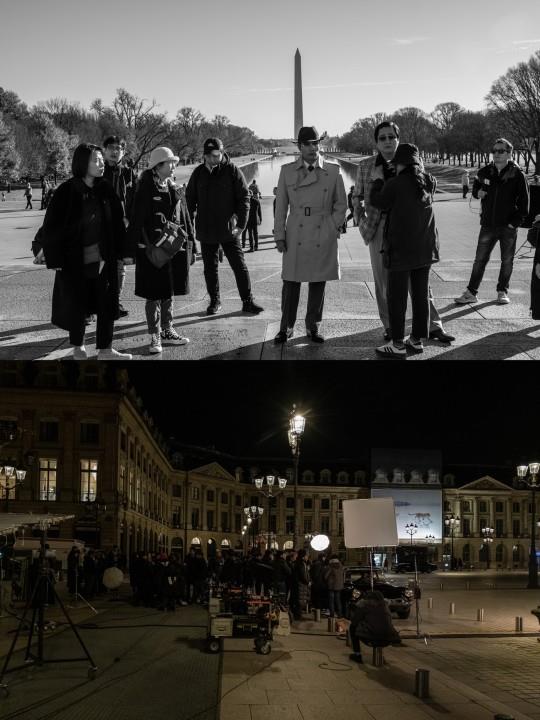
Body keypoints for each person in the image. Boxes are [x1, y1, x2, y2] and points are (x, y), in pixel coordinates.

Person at [353, 121, 454, 344]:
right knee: (383, 283)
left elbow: (424, 191)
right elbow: (357, 196)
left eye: (391, 136)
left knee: (419, 283)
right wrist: (362, 221)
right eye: (382, 138)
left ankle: (432, 325)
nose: (388, 141)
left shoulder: (412, 160)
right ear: (376, 142)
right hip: (379, 228)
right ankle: (391, 326)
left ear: (398, 139)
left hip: (408, 229)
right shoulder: (366, 166)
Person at [40, 143, 133, 360]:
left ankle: (106, 349)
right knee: (77, 305)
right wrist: (55, 257)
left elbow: (118, 224)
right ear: (83, 163)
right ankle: (78, 348)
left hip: (104, 258)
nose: (101, 164)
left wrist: (123, 251)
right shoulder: (67, 190)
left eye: (101, 160)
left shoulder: (106, 189)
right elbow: (51, 226)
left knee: (107, 303)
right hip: (75, 260)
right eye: (95, 160)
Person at [274, 126, 346, 344]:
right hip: (296, 228)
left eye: (316, 143)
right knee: (291, 282)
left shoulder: (333, 171)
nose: (313, 147)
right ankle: (285, 328)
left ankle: (313, 326)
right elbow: (281, 207)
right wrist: (279, 234)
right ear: (300, 147)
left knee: (318, 282)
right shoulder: (287, 171)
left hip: (322, 227)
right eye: (308, 144)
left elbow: (341, 204)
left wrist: (332, 226)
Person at [370, 143, 440, 357]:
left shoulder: (395, 184)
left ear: (399, 164)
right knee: (420, 296)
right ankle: (417, 340)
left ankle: (398, 343)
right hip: (426, 248)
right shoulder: (429, 182)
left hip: (401, 249)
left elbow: (378, 202)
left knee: (397, 297)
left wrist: (378, 180)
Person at [185, 137, 264, 316]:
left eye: (218, 154)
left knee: (239, 265)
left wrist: (241, 224)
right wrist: (189, 224)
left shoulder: (232, 171)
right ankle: (215, 300)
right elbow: (190, 199)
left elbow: (244, 198)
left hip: (229, 228)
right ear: (205, 156)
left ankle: (247, 300)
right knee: (210, 268)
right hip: (206, 228)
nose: (215, 158)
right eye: (211, 156)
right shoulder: (198, 173)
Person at [129, 146, 193, 355]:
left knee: (168, 292)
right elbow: (136, 221)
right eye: (171, 162)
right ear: (158, 166)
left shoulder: (172, 187)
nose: (174, 165)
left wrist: (192, 245)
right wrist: (132, 249)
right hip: (151, 250)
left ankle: (168, 329)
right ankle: (154, 334)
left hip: (171, 249)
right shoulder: (145, 188)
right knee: (153, 294)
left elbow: (184, 219)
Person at [454, 137, 529, 306]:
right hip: (488, 224)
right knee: (479, 260)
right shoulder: (485, 171)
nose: (496, 154)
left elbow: (525, 204)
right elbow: (476, 188)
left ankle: (502, 291)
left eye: (501, 151)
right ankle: (471, 292)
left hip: (508, 226)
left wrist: (514, 223)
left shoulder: (517, 175)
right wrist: (478, 193)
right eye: (494, 151)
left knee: (507, 261)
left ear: (509, 153)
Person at [102, 135, 137, 318]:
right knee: (99, 266)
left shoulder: (128, 173)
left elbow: (135, 200)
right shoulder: (99, 171)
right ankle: (93, 306)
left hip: (122, 227)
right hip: (101, 227)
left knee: (120, 268)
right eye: (111, 148)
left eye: (119, 148)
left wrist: (128, 219)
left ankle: (115, 301)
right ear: (104, 150)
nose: (115, 152)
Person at [348, 590, 400, 664]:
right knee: (378, 627)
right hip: (389, 638)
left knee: (352, 628)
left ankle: (357, 655)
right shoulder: (385, 606)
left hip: (372, 639)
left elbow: (354, 621)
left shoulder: (364, 606)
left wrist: (354, 611)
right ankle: (380, 656)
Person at [323, 554, 344, 618]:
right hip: (339, 586)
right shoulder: (341, 566)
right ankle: (340, 614)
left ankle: (332, 614)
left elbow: (325, 576)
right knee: (338, 601)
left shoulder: (330, 566)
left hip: (331, 586)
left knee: (331, 601)